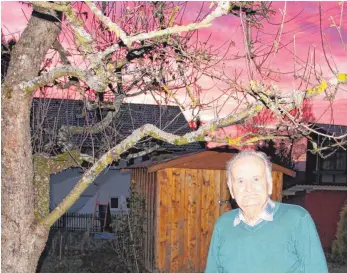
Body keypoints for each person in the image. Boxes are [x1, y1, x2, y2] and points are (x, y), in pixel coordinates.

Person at [205, 150, 328, 273]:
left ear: (269, 184)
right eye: (240, 181)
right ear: (231, 190)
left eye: (256, 179)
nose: (248, 188)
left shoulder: (297, 220)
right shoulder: (223, 225)